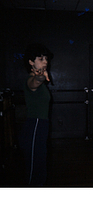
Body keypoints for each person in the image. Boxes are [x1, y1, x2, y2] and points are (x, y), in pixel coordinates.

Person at [18, 43, 53, 186]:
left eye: (46, 58)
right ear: (31, 62)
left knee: (40, 167)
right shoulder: (30, 80)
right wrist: (40, 78)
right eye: (41, 58)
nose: (45, 61)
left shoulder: (41, 82)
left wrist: (41, 79)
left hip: (41, 126)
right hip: (34, 127)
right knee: (34, 171)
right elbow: (34, 82)